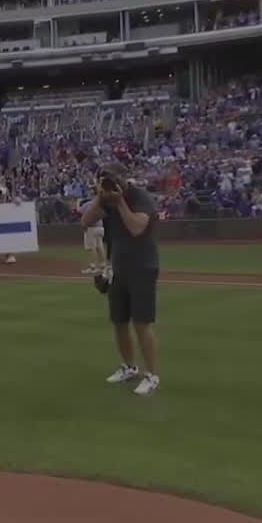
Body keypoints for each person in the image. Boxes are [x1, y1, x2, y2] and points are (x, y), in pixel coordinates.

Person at [80, 163, 161, 396]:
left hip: (143, 266)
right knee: (119, 320)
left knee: (142, 322)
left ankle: (152, 375)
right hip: (119, 267)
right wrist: (99, 196)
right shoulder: (105, 200)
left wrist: (120, 202)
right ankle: (129, 367)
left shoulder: (139, 196)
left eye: (111, 181)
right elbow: (85, 222)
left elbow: (137, 228)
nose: (110, 187)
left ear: (124, 179)